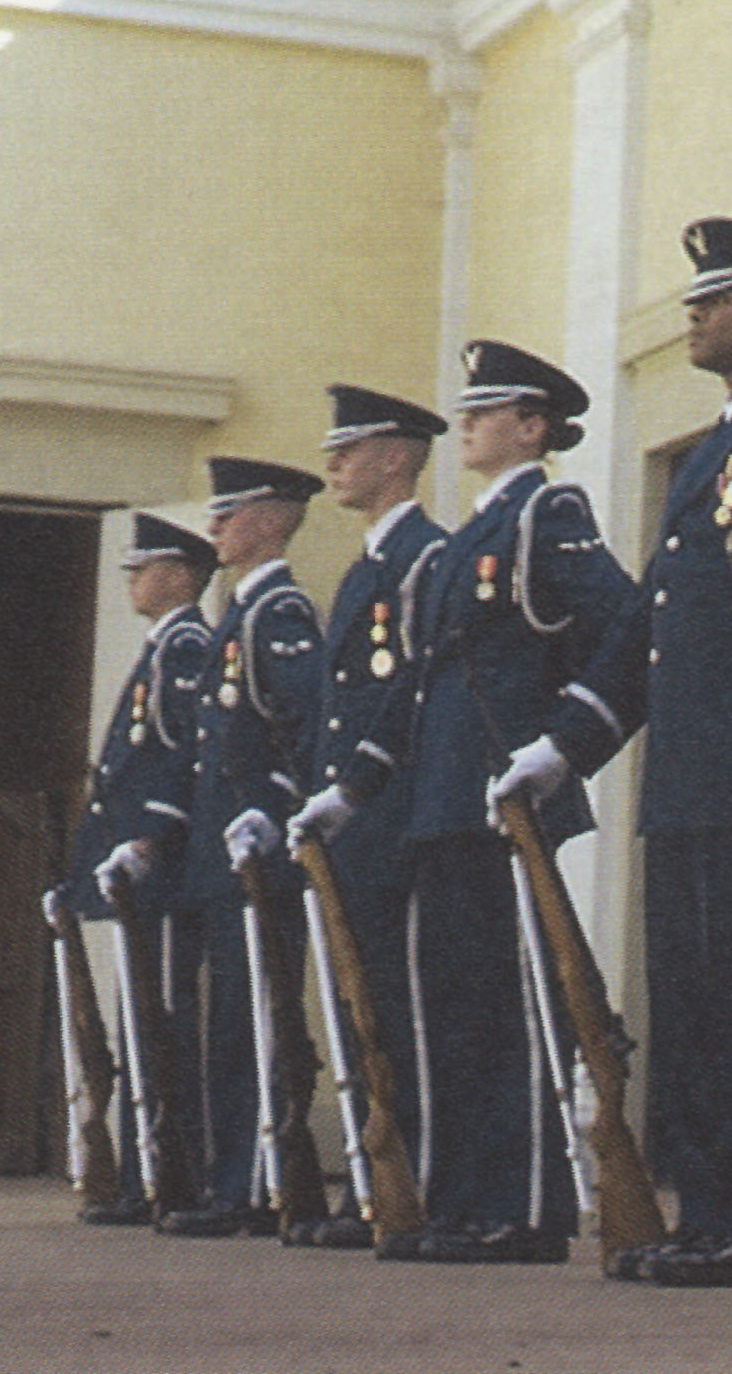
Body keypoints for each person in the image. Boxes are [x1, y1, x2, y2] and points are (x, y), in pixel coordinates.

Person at [492, 220, 732, 1288]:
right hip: (682, 772)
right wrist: (563, 747)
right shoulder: (712, 453)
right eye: (696, 294)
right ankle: (708, 1212)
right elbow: (642, 636)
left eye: (722, 294)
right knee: (696, 1001)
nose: (695, 309)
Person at [291, 340, 634, 1264]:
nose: (468, 422)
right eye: (469, 409)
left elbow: (622, 628)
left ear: (532, 427)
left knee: (513, 1009)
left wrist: (564, 744)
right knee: (456, 1010)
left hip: (507, 797)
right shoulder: (467, 541)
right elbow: (414, 689)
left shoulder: (547, 510)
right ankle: (465, 1195)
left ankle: (524, 1206)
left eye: (488, 411)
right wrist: (353, 789)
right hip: (442, 802)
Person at [282, 384, 450, 1249]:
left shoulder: (426, 557)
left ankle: (407, 1181)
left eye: (348, 449)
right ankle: (370, 1180)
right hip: (348, 824)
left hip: (391, 815)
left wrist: (355, 787)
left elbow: (414, 691)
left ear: (395, 455)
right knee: (358, 1004)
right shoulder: (364, 570)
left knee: (396, 1007)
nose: (332, 464)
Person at [158, 457, 328, 1239]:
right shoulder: (238, 614)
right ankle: (235, 1177)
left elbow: (307, 733)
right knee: (227, 1021)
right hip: (221, 861)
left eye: (230, 512)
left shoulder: (278, 613)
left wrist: (273, 812)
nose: (215, 526)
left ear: (270, 518)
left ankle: (258, 1182)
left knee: (254, 1021)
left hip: (258, 858)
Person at [56, 513, 217, 1225]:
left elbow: (181, 756)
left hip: (160, 870)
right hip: (130, 872)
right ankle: (144, 1170)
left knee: (161, 1022)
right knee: (139, 1022)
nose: (131, 578)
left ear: (181, 575)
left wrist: (151, 836)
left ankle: (169, 1171)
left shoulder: (185, 647)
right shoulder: (161, 647)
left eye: (144, 565)